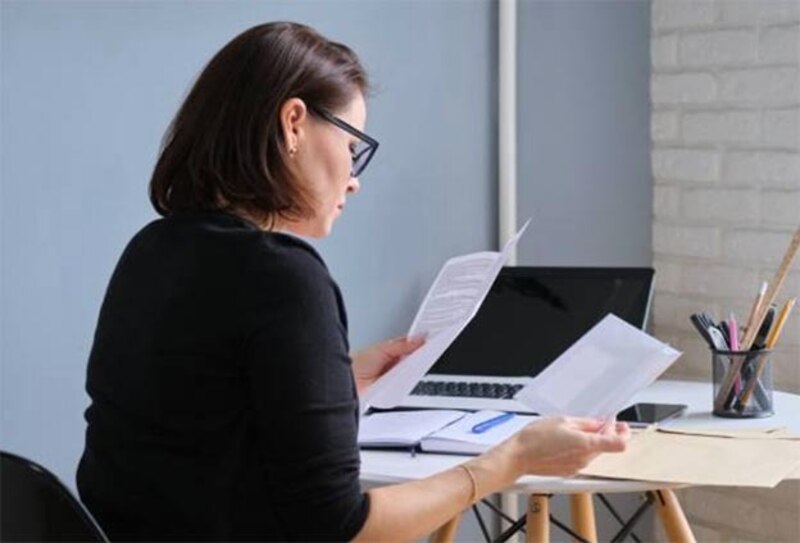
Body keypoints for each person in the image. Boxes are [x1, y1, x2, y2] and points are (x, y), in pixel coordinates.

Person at [77, 21, 629, 542]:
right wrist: (510, 460)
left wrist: (339, 381)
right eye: (351, 146)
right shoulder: (283, 276)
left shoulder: (152, 250)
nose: (354, 179)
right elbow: (341, 527)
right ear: (293, 122)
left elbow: (196, 425)